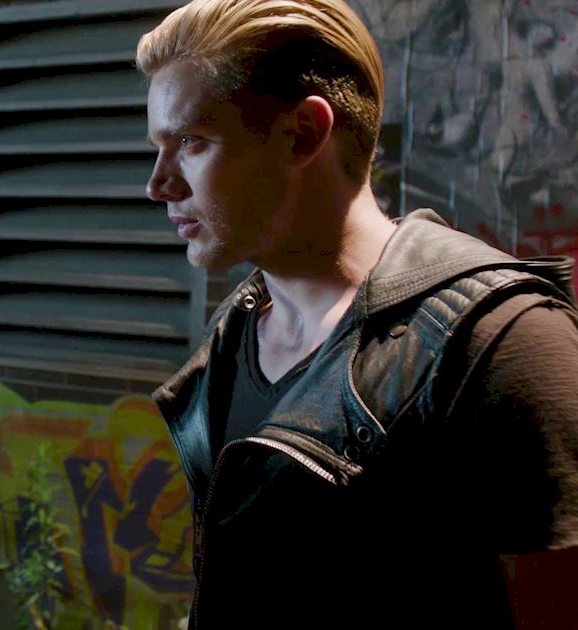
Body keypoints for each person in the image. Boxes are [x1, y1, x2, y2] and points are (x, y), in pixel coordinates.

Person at [139, 1, 578, 628]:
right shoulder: (235, 335)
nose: (158, 184)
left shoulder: (500, 341)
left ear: (303, 133)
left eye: (190, 142)